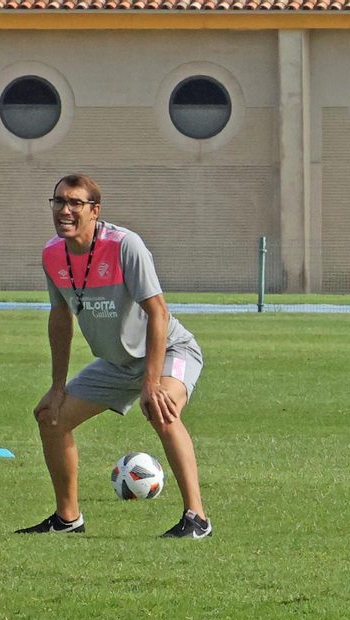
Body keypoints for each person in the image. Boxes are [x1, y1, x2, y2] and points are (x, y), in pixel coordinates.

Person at [17, 173, 211, 539]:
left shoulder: (125, 246)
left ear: (95, 211)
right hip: (116, 364)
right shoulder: (52, 254)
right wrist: (57, 386)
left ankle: (197, 519)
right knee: (50, 417)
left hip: (169, 350)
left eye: (76, 203)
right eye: (59, 201)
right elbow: (60, 317)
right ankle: (67, 518)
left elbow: (158, 313)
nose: (65, 210)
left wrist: (152, 382)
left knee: (161, 407)